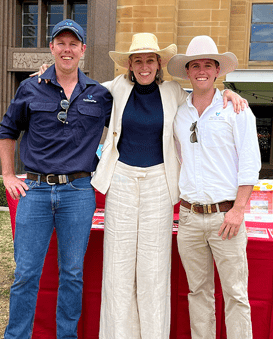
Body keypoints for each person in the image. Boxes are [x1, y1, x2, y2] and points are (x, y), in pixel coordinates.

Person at [34, 33, 247, 339]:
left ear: (159, 64)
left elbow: (203, 94)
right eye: (138, 61)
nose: (144, 66)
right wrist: (49, 73)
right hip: (121, 180)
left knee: (154, 269)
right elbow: (76, 90)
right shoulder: (113, 89)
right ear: (129, 65)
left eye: (150, 60)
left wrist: (229, 93)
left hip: (160, 183)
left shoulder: (173, 91)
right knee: (118, 269)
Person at [0, 19, 113, 339]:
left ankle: (66, 335)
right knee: (26, 274)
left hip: (78, 192)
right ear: (51, 48)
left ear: (83, 50)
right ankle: (17, 335)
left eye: (73, 44)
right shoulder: (29, 87)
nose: (67, 49)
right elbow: (7, 132)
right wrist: (8, 174)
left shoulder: (99, 94)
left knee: (72, 274)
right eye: (60, 43)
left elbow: (137, 108)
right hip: (34, 191)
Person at [168, 35, 261, 339]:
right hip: (190, 217)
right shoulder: (179, 112)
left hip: (226, 216)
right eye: (196, 65)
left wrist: (238, 210)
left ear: (218, 71)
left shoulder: (237, 110)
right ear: (188, 71)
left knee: (235, 293)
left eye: (209, 64)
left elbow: (250, 164)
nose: (202, 70)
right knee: (198, 292)